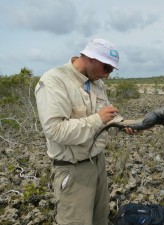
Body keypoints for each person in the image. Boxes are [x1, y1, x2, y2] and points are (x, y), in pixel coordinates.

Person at [35, 38, 133, 225]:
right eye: (107, 68)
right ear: (91, 58)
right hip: (73, 169)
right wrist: (98, 119)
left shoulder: (96, 83)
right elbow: (55, 131)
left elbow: (107, 119)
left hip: (98, 163)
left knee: (100, 218)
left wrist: (123, 125)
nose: (107, 76)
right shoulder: (54, 80)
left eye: (111, 70)